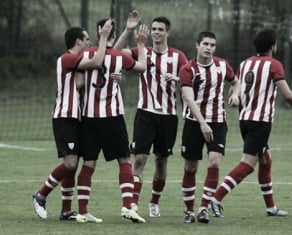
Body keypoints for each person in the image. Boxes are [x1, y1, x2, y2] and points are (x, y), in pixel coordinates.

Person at [209, 28, 292, 219]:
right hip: (260, 121)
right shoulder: (274, 65)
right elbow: (287, 94)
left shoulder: (245, 63)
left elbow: (234, 90)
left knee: (266, 160)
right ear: (273, 45)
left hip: (245, 120)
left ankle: (271, 208)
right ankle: (215, 199)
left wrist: (234, 98)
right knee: (248, 164)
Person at [32, 20, 113, 220]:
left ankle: (66, 210)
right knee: (69, 164)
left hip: (75, 117)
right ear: (78, 41)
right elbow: (96, 62)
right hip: (64, 117)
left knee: (73, 164)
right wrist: (103, 37)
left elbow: (80, 82)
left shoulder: (74, 63)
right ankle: (41, 195)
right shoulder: (67, 58)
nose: (89, 42)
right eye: (86, 39)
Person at [75, 18, 149, 223]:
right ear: (112, 35)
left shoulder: (86, 54)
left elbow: (82, 80)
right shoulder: (119, 57)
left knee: (88, 163)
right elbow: (143, 67)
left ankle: (82, 211)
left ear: (97, 34)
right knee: (124, 161)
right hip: (112, 117)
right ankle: (127, 206)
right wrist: (141, 43)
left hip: (89, 117)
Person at [114, 13, 188, 217]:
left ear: (167, 33)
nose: (156, 32)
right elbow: (115, 52)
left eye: (160, 29)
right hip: (145, 114)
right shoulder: (142, 52)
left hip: (168, 116)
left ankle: (154, 202)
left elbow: (191, 78)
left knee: (161, 160)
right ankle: (134, 204)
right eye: (153, 29)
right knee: (139, 159)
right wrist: (129, 30)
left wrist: (178, 78)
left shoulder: (178, 56)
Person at [179, 31, 240, 224]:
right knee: (190, 167)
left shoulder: (222, 65)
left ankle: (203, 208)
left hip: (218, 121)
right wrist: (202, 123)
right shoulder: (188, 69)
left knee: (214, 162)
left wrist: (235, 94)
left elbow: (236, 81)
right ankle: (189, 211)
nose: (209, 48)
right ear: (197, 45)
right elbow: (188, 98)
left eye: (212, 45)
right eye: (205, 44)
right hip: (194, 123)